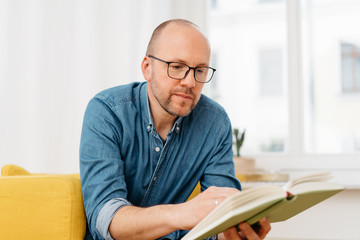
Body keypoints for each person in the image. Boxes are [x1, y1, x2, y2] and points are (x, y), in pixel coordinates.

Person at [80, 19, 271, 240]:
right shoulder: (107, 111)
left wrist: (234, 232)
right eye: (177, 67)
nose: (190, 82)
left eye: (200, 70)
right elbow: (107, 220)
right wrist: (182, 214)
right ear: (147, 68)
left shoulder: (215, 123)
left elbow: (219, 217)